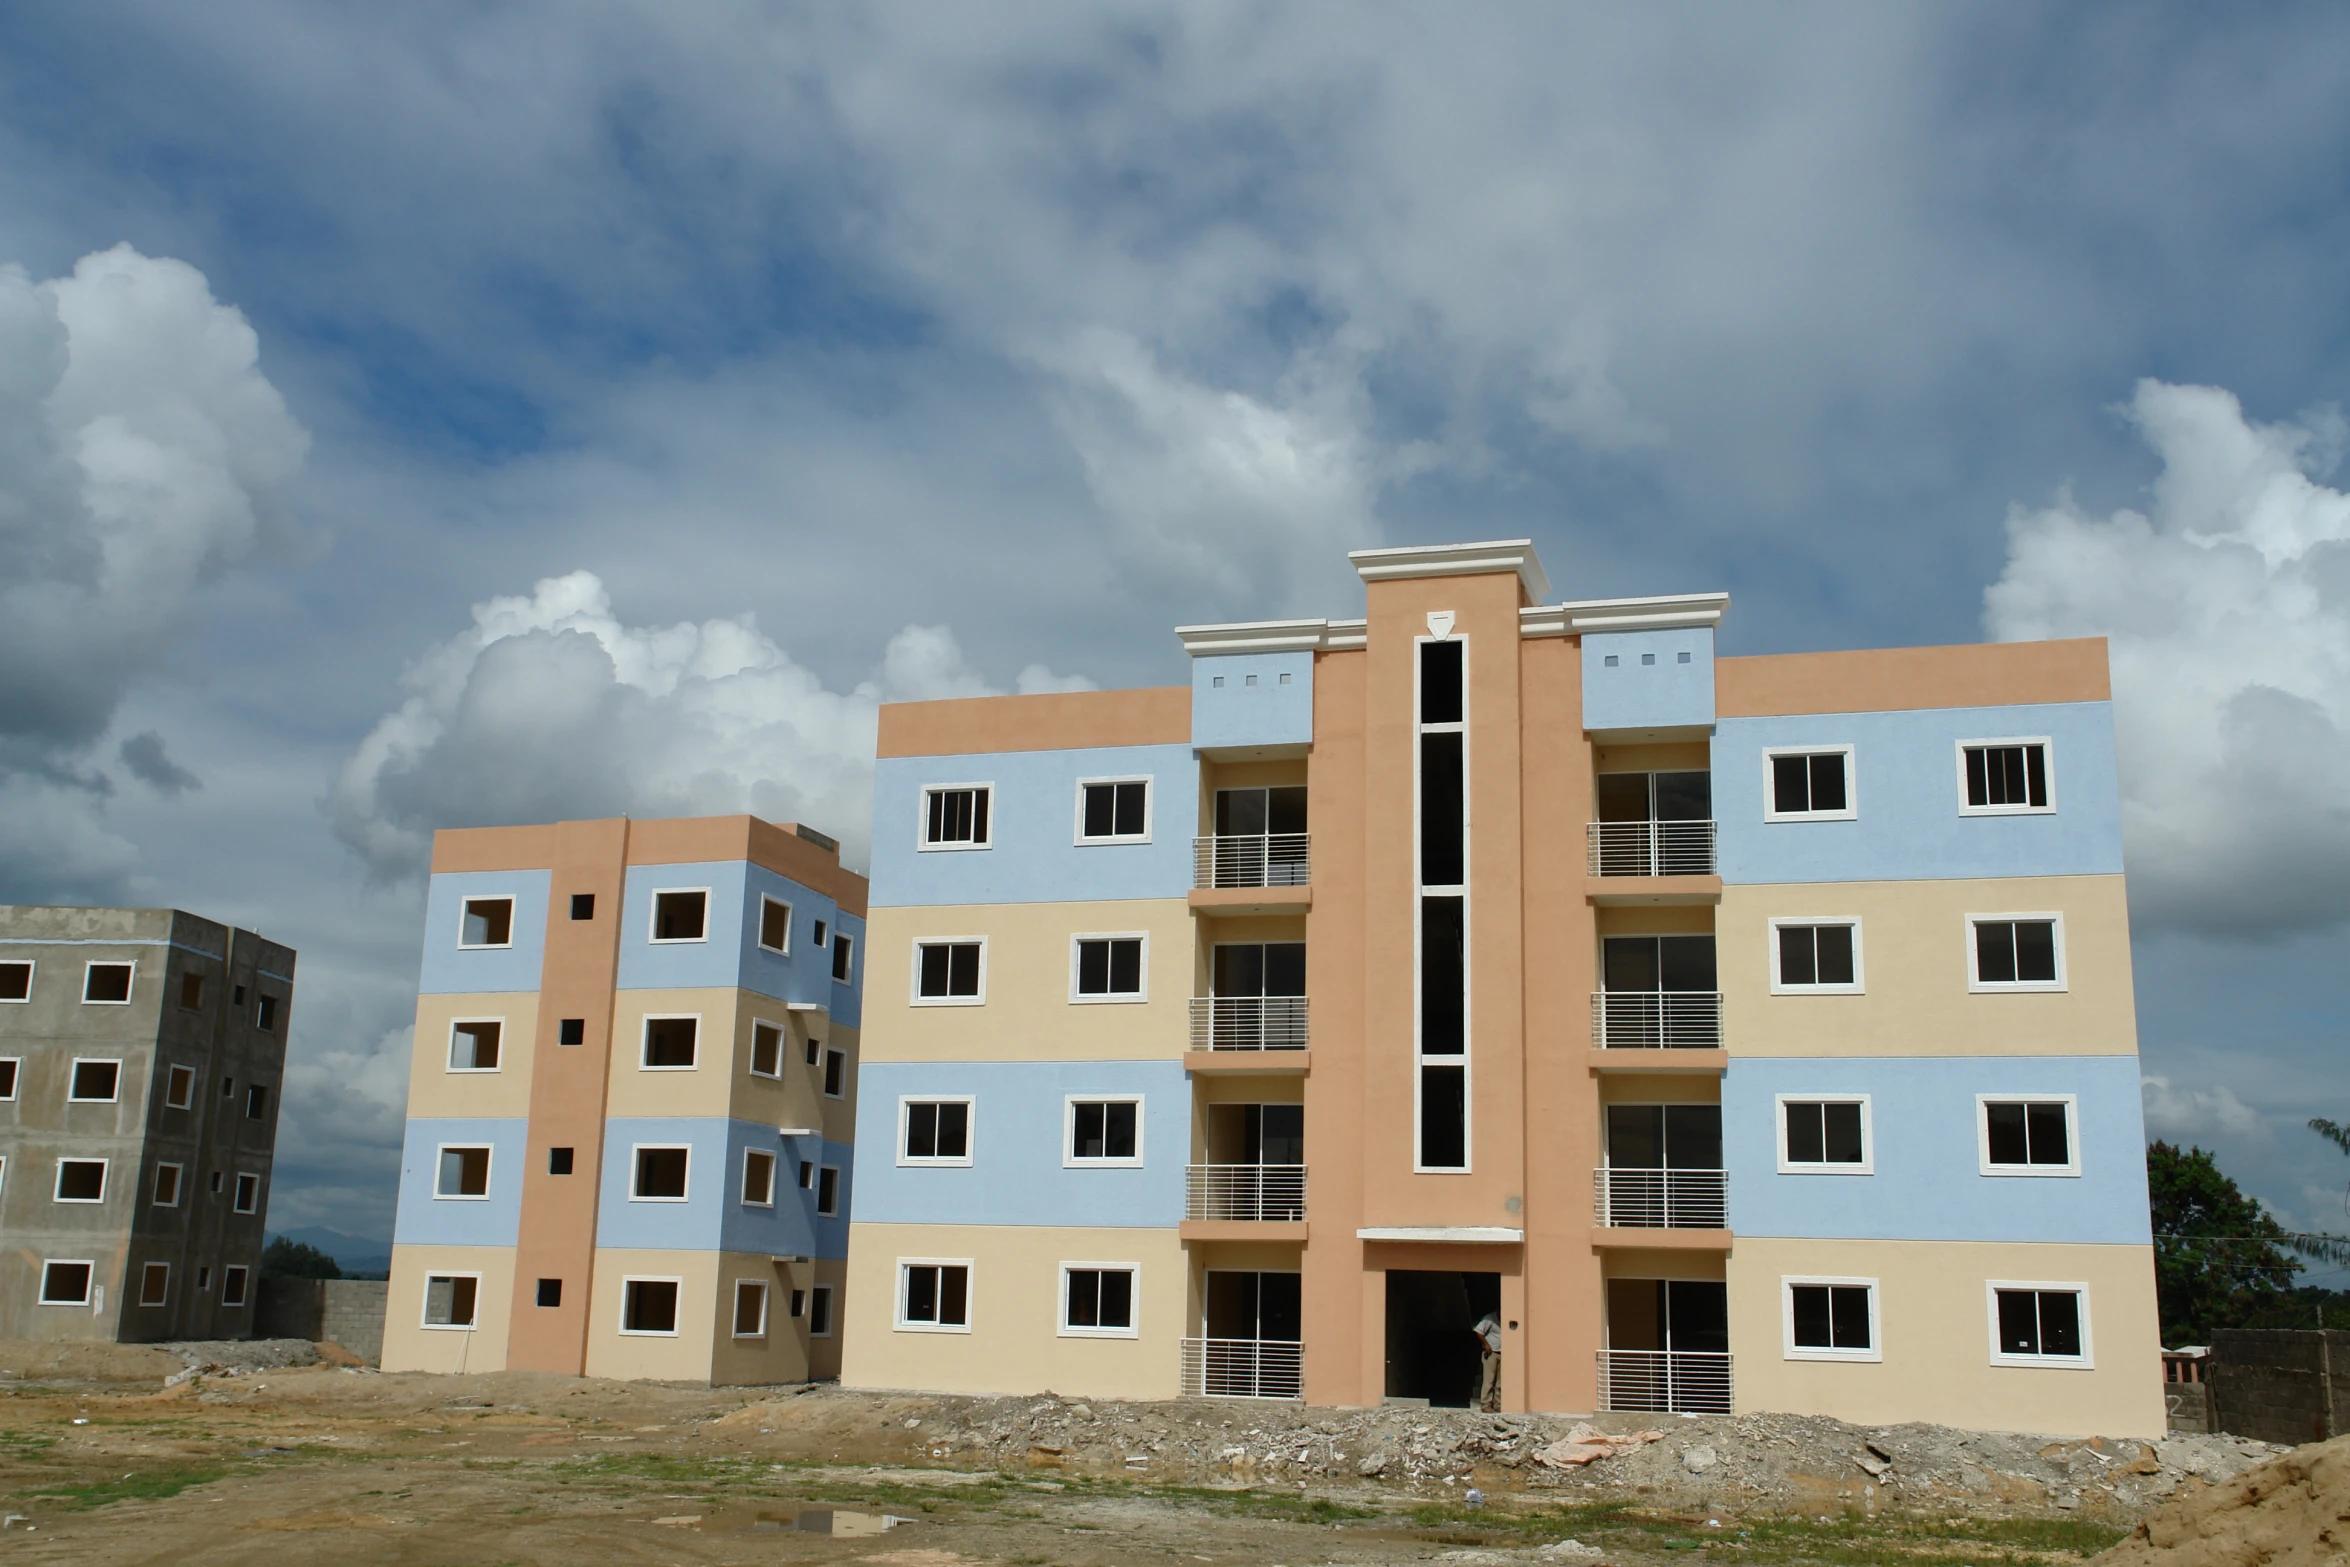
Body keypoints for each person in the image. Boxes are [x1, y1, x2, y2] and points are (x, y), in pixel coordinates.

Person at [1473, 1311, 1503, 1411]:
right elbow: (1478, 1331)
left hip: (1502, 1352)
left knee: (1500, 1382)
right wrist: (1486, 1344)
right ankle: (1485, 1404)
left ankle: (1498, 1404)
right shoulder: (1489, 1319)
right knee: (1489, 1380)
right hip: (1491, 1353)